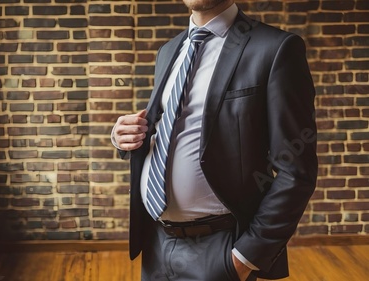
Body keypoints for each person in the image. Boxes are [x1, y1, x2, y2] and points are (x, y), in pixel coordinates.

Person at [111, 0, 318, 280]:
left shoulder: (276, 48)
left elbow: (296, 169)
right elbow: (170, 130)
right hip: (156, 244)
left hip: (221, 249)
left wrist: (244, 257)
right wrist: (124, 137)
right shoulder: (169, 50)